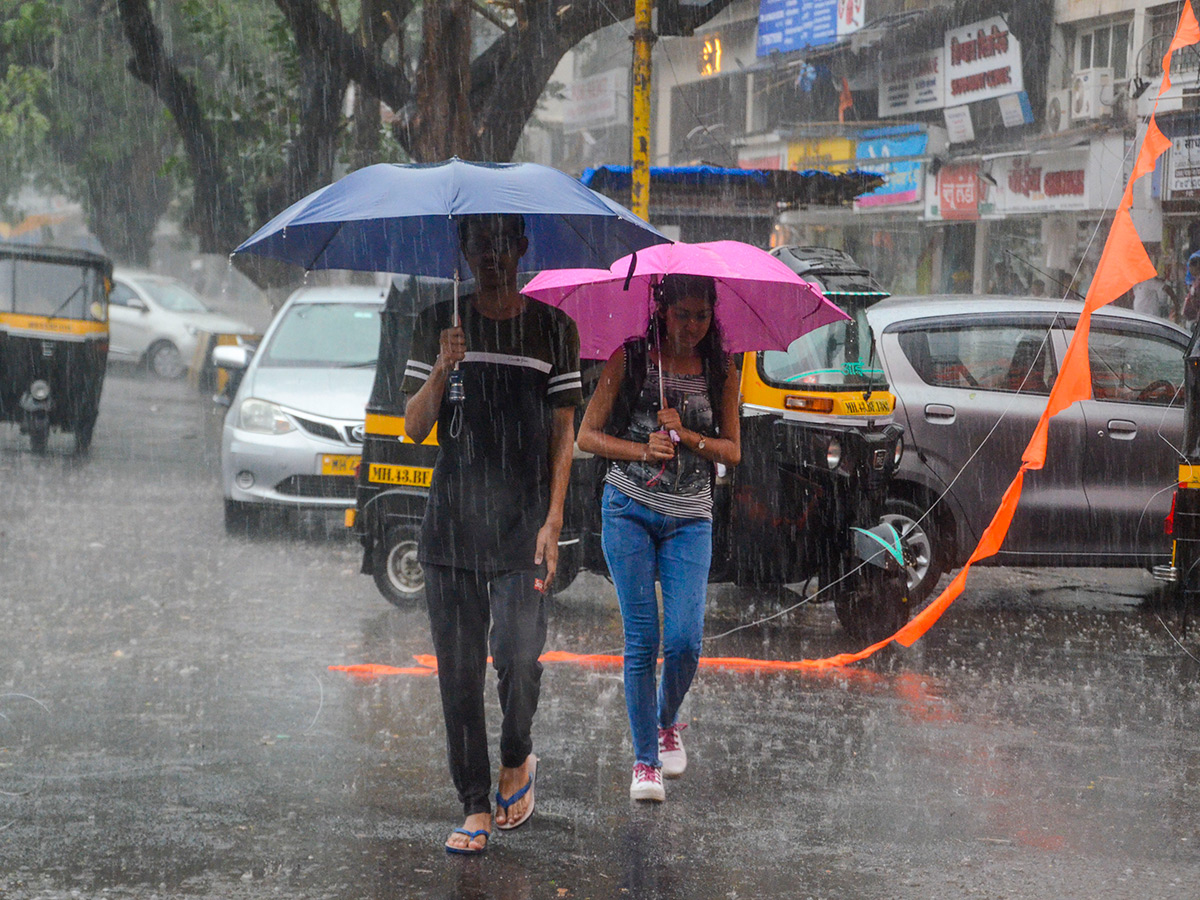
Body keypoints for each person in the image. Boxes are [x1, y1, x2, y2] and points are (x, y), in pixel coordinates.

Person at [401, 214, 582, 854]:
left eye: (504, 244)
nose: (493, 257)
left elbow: (565, 431)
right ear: (465, 251)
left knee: (515, 656)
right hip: (450, 527)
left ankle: (518, 751)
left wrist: (555, 517)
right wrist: (441, 369)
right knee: (457, 673)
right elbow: (413, 428)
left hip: (522, 526)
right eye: (481, 245)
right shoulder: (436, 322)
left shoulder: (553, 327)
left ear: (523, 248)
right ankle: (474, 803)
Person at [576, 274, 741, 802]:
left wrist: (688, 435)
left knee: (686, 642)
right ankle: (645, 760)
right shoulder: (631, 359)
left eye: (701, 315)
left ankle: (667, 719)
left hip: (690, 517)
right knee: (643, 640)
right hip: (628, 509)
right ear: (661, 310)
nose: (691, 326)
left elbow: (733, 452)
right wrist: (643, 450)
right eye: (681, 314)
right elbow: (587, 436)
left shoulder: (722, 370)